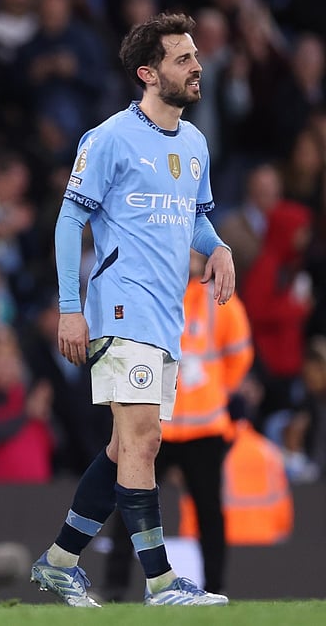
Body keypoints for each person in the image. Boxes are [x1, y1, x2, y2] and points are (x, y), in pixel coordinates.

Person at [31, 12, 234, 607]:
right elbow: (70, 221)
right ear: (148, 73)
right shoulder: (108, 139)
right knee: (144, 443)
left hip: (165, 317)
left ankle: (59, 561)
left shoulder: (194, 144)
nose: (197, 67)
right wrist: (71, 307)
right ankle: (163, 584)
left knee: (126, 449)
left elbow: (194, 219)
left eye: (195, 56)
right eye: (182, 59)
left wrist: (218, 246)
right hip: (120, 309)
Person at [104, 251, 252, 598]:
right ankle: (114, 586)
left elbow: (241, 355)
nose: (191, 258)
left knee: (209, 512)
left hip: (205, 427)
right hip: (157, 422)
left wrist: (217, 393)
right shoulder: (150, 295)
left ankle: (215, 586)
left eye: (196, 251)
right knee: (131, 502)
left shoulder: (221, 301)